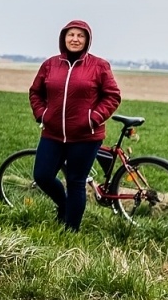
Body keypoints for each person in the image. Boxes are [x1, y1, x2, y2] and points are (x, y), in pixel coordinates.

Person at [26, 20, 121, 230]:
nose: (75, 39)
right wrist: (42, 115)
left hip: (85, 137)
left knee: (76, 182)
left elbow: (112, 96)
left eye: (80, 36)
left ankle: (71, 230)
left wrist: (93, 118)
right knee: (42, 175)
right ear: (64, 38)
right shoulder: (50, 64)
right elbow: (35, 92)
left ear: (87, 40)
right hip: (52, 133)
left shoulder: (99, 66)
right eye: (71, 35)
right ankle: (64, 205)